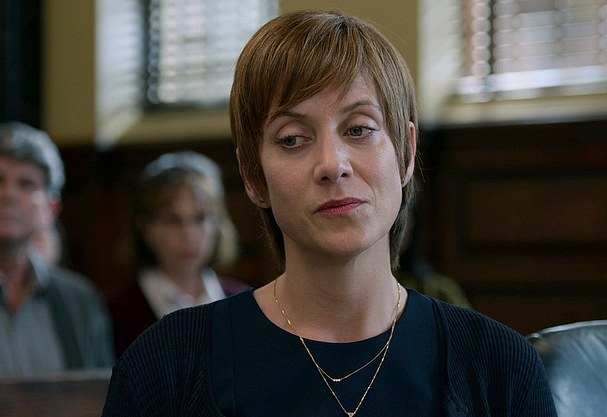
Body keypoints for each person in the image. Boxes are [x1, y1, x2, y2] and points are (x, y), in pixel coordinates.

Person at [102, 10, 556, 416]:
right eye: (292, 139)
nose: (332, 165)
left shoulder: (499, 367)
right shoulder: (166, 367)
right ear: (254, 176)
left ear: (406, 152)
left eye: (359, 129)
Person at [106, 151, 249, 356]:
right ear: (144, 226)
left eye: (199, 218)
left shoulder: (243, 302)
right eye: (172, 220)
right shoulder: (114, 312)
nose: (188, 234)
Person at [0, 121, 114, 375]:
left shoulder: (81, 301)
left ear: (51, 209)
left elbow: (101, 392)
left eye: (26, 184)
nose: (9, 195)